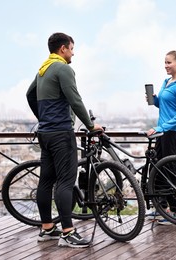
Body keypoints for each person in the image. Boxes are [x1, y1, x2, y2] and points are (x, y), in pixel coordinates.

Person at [26, 32, 102, 248]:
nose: (73, 53)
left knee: (46, 181)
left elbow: (29, 95)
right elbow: (75, 99)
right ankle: (68, 233)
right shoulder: (63, 68)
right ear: (63, 49)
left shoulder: (44, 69)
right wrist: (89, 125)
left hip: (46, 133)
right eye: (71, 48)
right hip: (61, 133)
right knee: (65, 182)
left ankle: (47, 229)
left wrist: (43, 117)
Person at [146, 50, 176, 225]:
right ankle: (161, 208)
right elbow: (166, 107)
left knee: (172, 171)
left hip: (175, 132)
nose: (165, 65)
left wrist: (161, 127)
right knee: (158, 169)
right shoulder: (167, 82)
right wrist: (155, 100)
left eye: (169, 62)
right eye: (164, 62)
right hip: (163, 131)